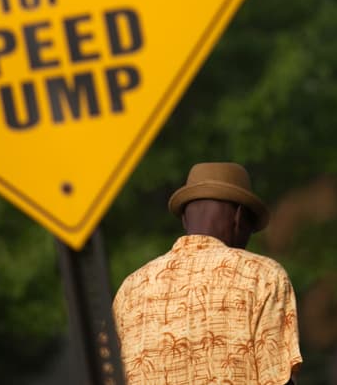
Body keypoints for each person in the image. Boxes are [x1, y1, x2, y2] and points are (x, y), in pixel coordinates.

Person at [113, 162, 302, 385]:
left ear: (185, 220)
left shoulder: (131, 290)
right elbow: (277, 378)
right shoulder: (263, 277)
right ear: (239, 218)